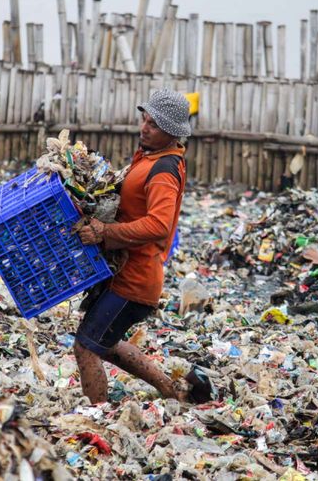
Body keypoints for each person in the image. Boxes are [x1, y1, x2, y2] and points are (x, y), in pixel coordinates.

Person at [74, 89, 210, 404]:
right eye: (144, 119)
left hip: (135, 281)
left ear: (173, 133)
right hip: (125, 272)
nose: (144, 128)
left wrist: (105, 232)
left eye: (154, 125)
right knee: (103, 342)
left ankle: (96, 418)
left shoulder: (164, 171)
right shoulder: (151, 157)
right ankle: (171, 389)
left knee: (85, 346)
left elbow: (159, 225)